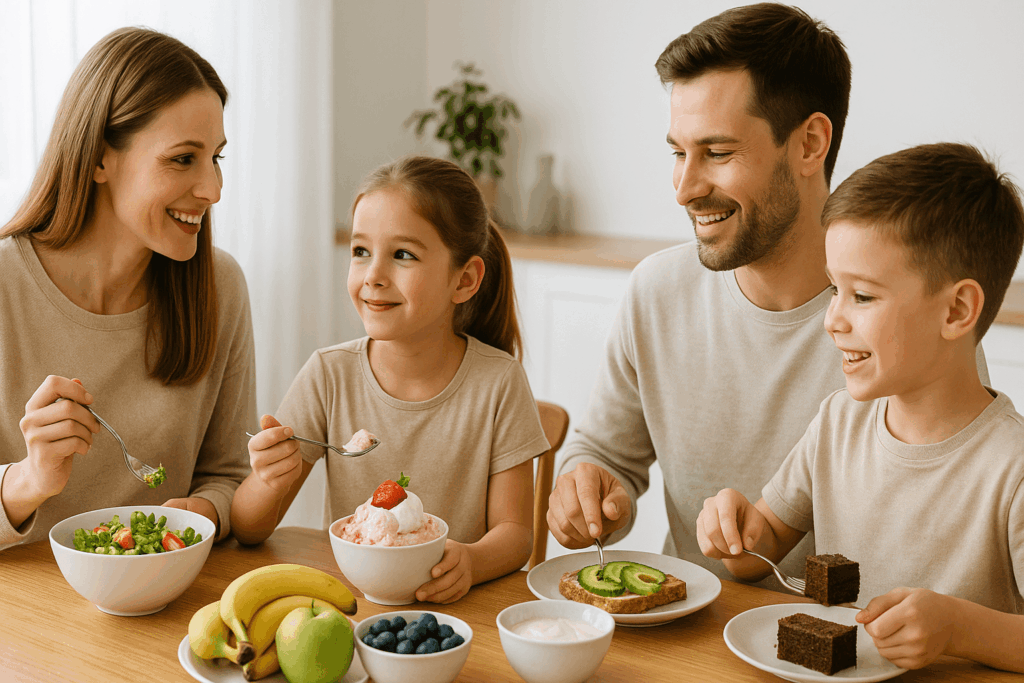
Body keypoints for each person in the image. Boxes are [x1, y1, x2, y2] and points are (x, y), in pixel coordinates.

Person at [545, 3, 991, 583]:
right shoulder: (656, 291)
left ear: (809, 144)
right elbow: (604, 454)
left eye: (718, 153)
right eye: (678, 153)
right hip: (691, 642)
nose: (684, 189)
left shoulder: (913, 322)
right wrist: (588, 486)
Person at [697, 142, 1024, 672]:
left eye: (863, 296)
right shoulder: (837, 423)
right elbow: (757, 553)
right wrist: (734, 531)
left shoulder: (1012, 470)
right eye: (834, 290)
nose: (833, 320)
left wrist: (960, 628)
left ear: (958, 309)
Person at [230, 155, 549, 604]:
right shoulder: (328, 375)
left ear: (465, 279)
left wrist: (472, 562)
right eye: (361, 252)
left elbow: (516, 534)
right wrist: (267, 480)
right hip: (351, 607)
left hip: (457, 617)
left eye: (402, 255)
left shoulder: (498, 383)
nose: (373, 277)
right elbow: (248, 527)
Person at [0, 27, 256, 551]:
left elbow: (229, 474)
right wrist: (29, 480)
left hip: (166, 604)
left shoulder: (219, 288)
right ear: (99, 158)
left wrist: (204, 511)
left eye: (217, 158)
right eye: (183, 158)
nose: (212, 190)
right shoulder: (5, 289)